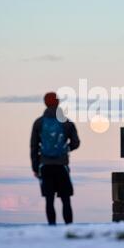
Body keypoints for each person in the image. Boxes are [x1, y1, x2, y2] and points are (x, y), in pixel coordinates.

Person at [30, 92, 80, 225]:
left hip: (45, 166)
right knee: (65, 199)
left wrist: (35, 167)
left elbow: (34, 147)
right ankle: (69, 227)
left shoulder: (39, 123)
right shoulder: (67, 123)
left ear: (45, 103)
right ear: (58, 103)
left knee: (49, 200)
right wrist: (66, 149)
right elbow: (76, 142)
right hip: (62, 165)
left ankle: (52, 228)